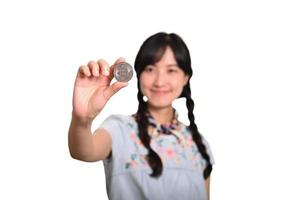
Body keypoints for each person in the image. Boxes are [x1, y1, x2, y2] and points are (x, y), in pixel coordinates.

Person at [68, 32, 214, 200]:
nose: (160, 81)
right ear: (139, 75)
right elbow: (83, 152)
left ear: (186, 78)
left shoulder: (199, 143)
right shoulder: (119, 128)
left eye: (171, 70)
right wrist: (82, 119)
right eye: (150, 69)